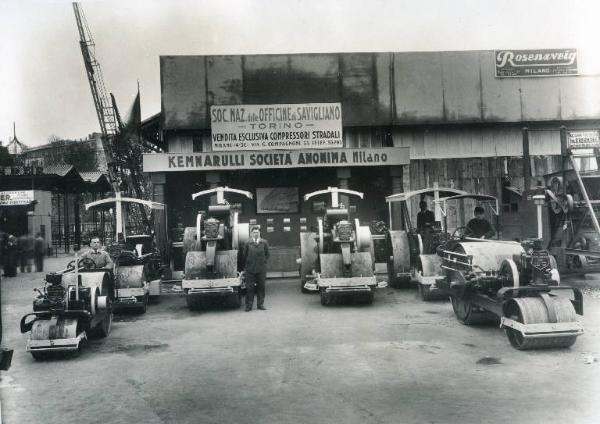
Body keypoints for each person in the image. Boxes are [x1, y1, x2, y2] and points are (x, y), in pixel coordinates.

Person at [242, 226, 269, 312]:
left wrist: (262, 263)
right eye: (254, 232)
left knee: (261, 287)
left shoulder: (264, 243)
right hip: (250, 269)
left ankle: (260, 304)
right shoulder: (247, 243)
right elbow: (244, 256)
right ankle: (249, 305)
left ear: (260, 233)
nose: (256, 234)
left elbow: (267, 255)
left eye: (257, 232)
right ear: (251, 233)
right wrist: (248, 265)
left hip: (261, 269)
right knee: (249, 288)